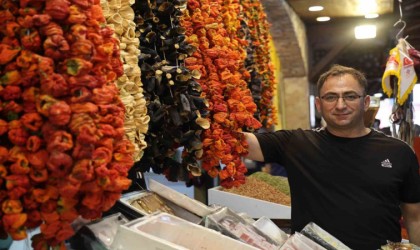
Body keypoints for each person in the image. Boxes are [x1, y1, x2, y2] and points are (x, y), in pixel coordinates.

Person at [244, 64, 420, 249]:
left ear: (366, 102)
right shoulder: (296, 143)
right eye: (331, 97)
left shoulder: (399, 152)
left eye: (350, 96)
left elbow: (415, 217)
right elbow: (240, 143)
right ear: (319, 105)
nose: (340, 105)